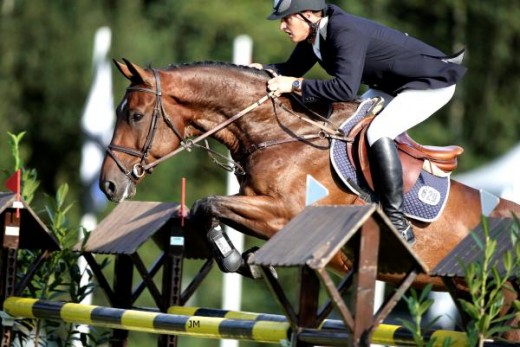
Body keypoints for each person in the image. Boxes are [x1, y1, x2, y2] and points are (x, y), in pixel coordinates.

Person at [251, 0, 467, 245]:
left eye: (286, 18)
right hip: (392, 85)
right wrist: (259, 71)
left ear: (308, 14)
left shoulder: (343, 32)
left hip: (430, 83)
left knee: (378, 131)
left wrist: (295, 85)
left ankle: (396, 220)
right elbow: (290, 68)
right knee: (343, 124)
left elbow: (344, 89)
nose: (282, 26)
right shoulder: (315, 36)